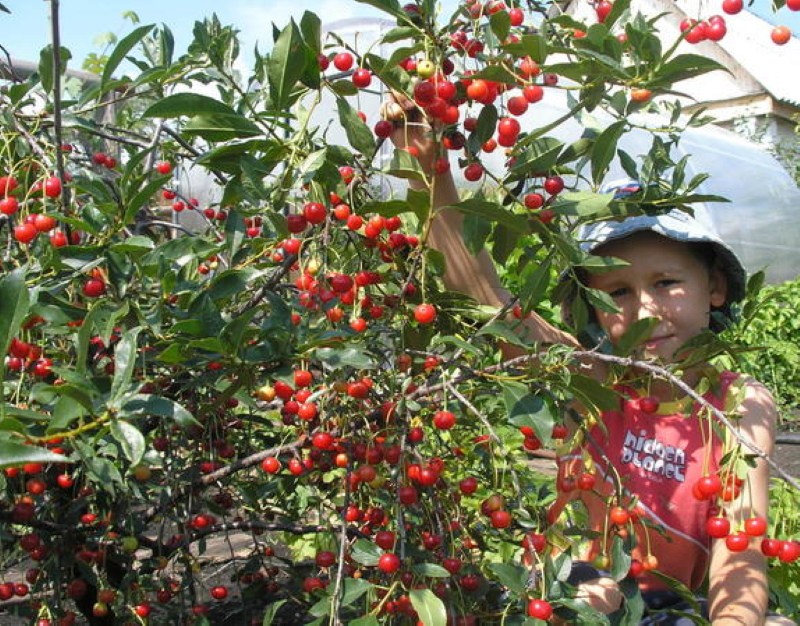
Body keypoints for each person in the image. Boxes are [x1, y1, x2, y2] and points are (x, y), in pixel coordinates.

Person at [380, 95, 789, 625]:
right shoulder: (584, 376)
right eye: (617, 291)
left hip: (675, 609)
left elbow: (740, 553)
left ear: (712, 286)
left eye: (666, 282)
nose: (645, 307)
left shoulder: (739, 405)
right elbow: (481, 292)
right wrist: (424, 162)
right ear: (593, 306)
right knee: (594, 595)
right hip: (574, 591)